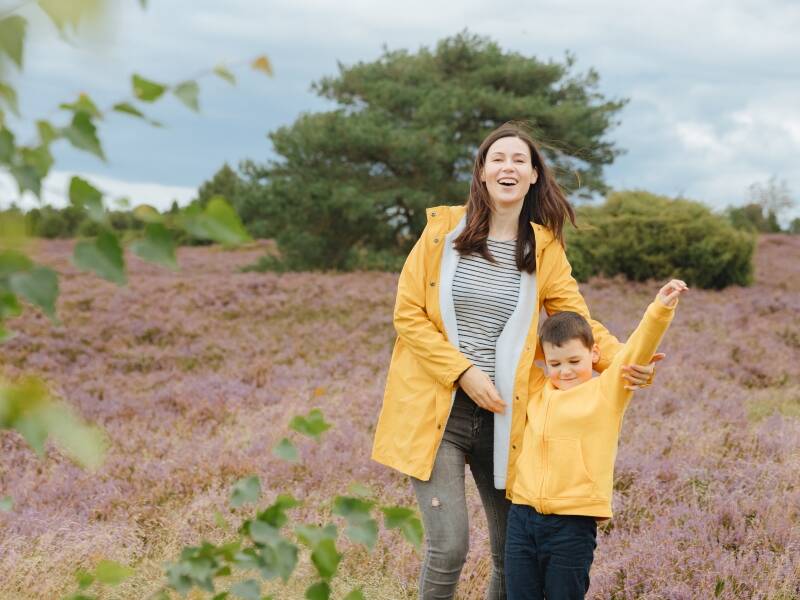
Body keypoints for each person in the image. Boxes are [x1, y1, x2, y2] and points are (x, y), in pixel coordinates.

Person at [371, 122, 661, 599]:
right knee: (448, 547)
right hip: (437, 411)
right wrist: (463, 372)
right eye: (497, 158)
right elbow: (408, 314)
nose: (508, 166)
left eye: (519, 160)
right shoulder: (442, 231)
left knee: (511, 554)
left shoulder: (543, 248)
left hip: (508, 416)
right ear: (482, 173)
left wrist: (628, 362)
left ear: (532, 177)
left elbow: (577, 322)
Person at [505, 279, 688, 599]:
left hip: (572, 525)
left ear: (594, 354)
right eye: (555, 364)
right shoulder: (537, 388)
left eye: (575, 361)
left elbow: (635, 353)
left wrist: (659, 309)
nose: (564, 372)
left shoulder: (606, 393)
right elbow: (514, 349)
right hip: (522, 518)